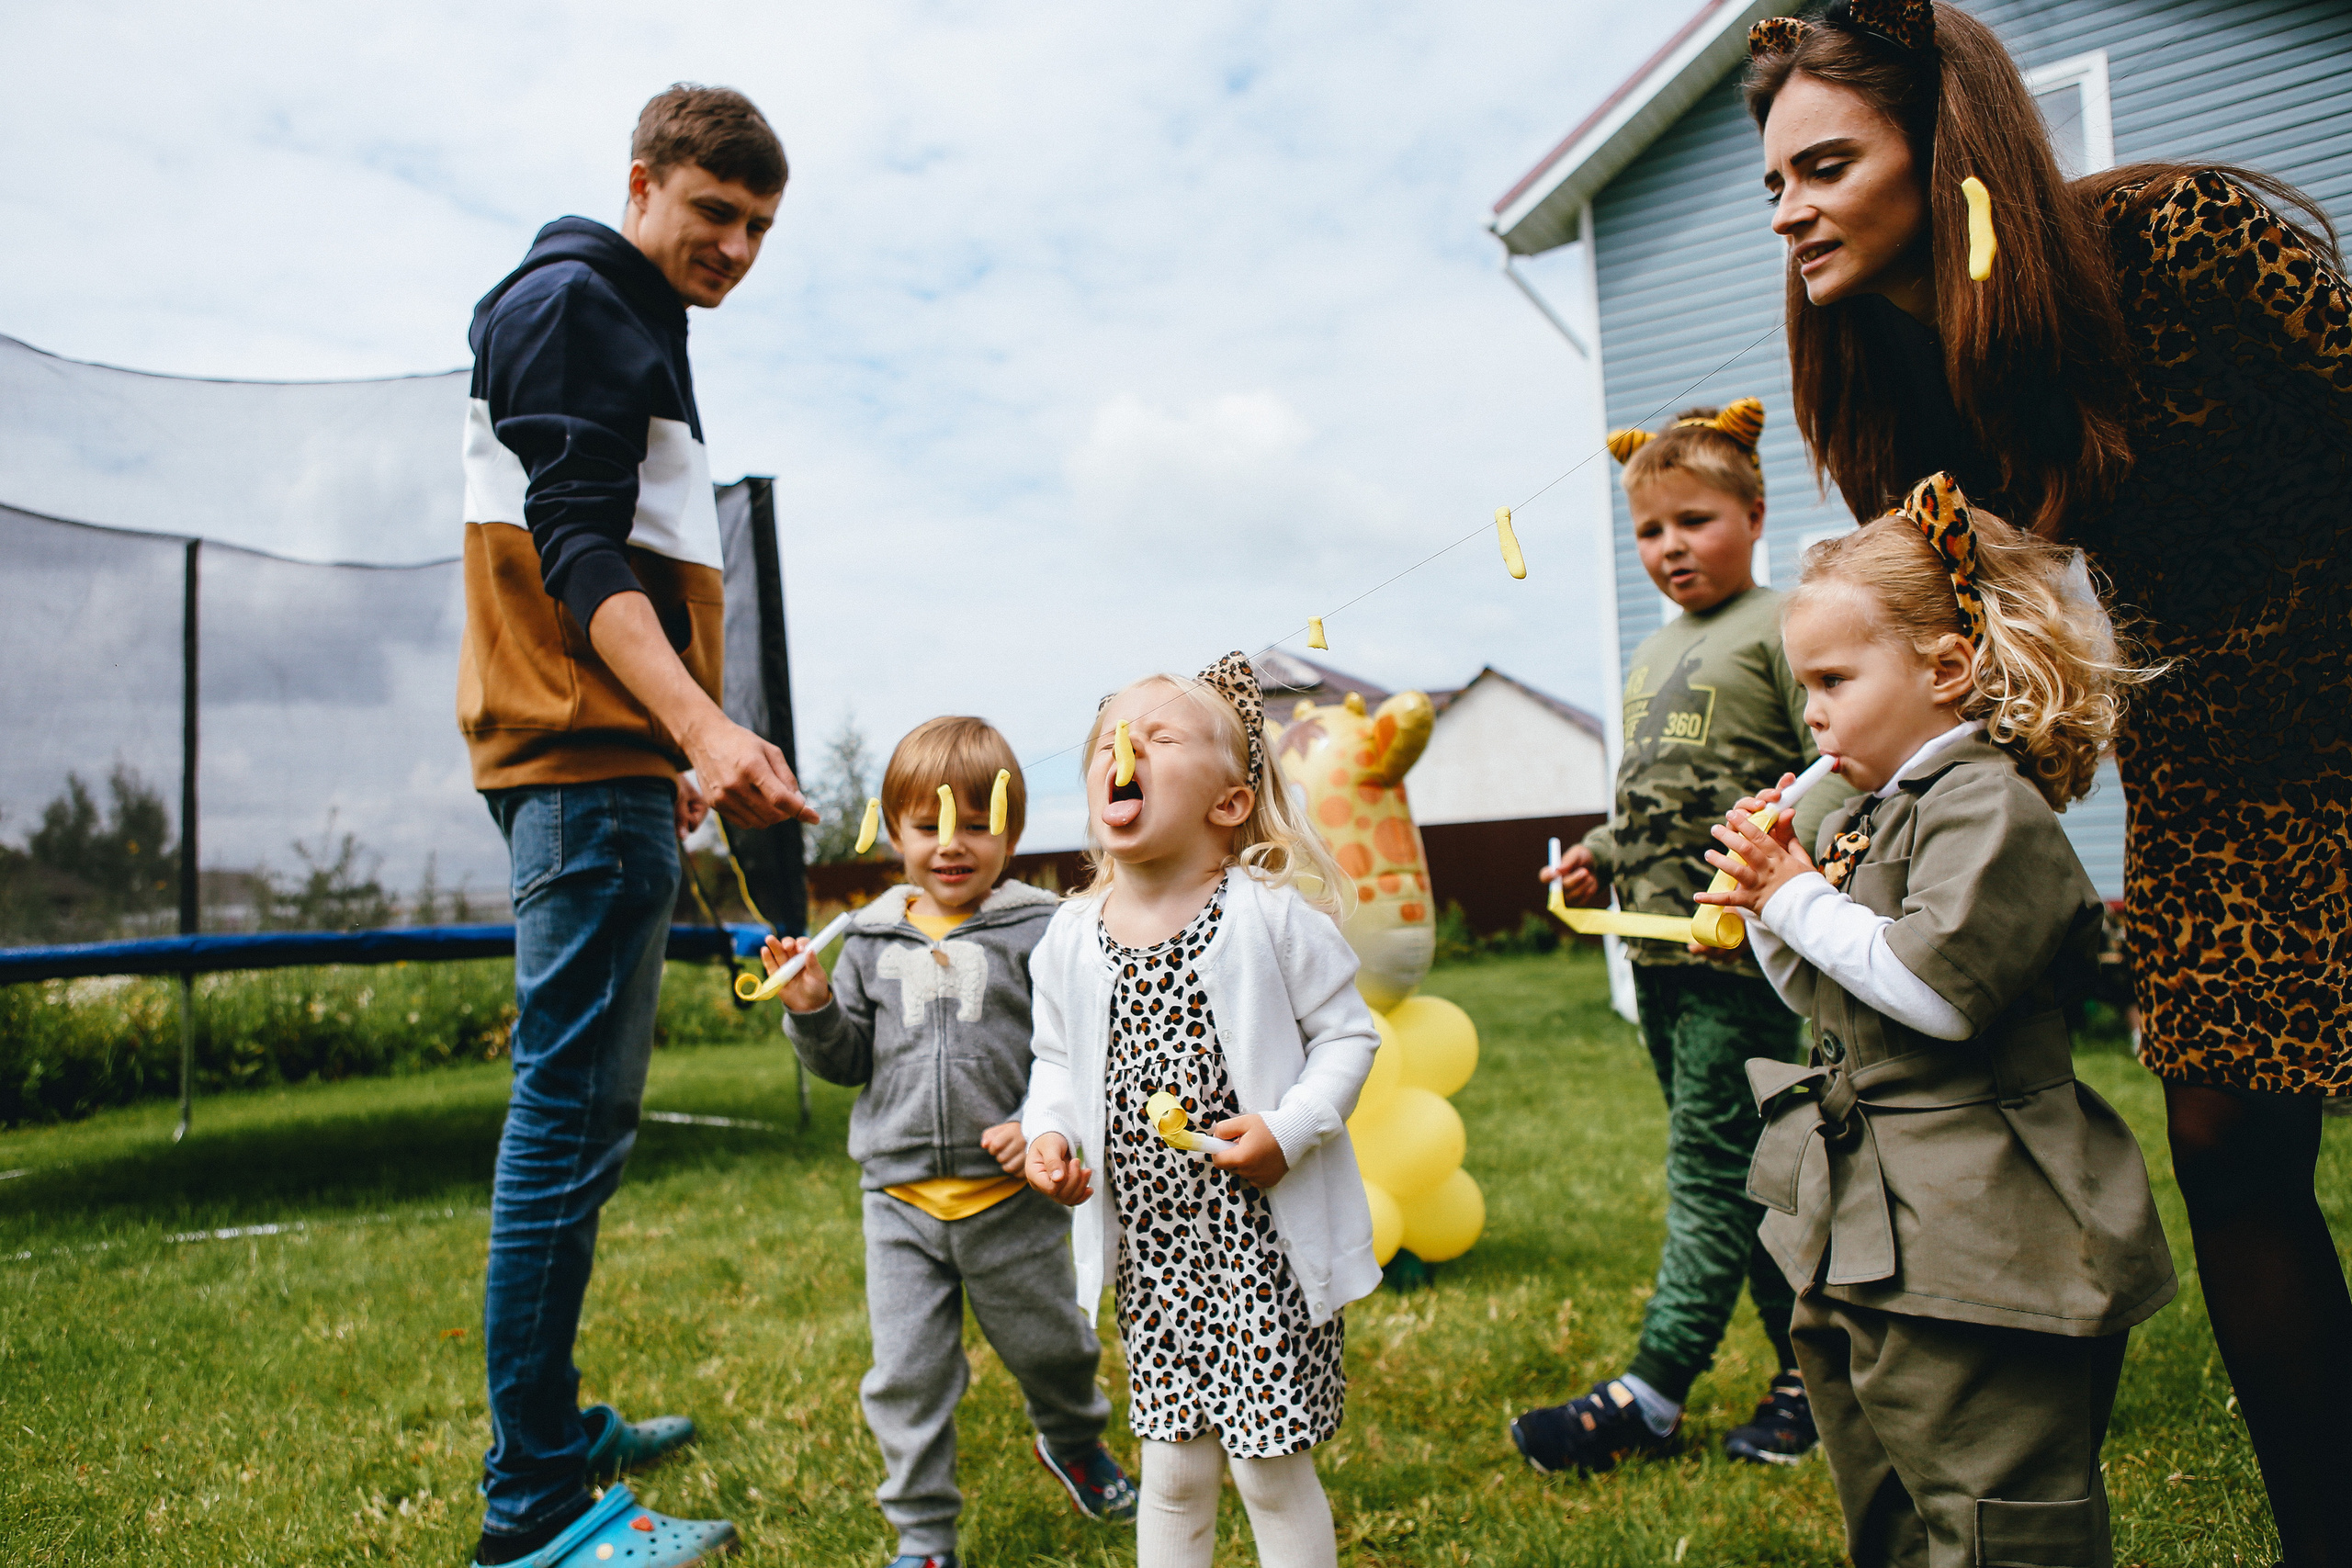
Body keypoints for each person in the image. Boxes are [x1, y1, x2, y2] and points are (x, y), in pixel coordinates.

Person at [1746, 4, 2352, 1557]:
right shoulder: (1897, 376)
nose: (1791, 209)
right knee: (2227, 1144)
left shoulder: (2179, 243)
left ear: (1941, 147)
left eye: (1827, 165)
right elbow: (1939, 648)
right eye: (1775, 183)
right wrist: (1841, 821)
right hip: (2215, 759)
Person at [458, 84, 815, 1568]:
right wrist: (704, 730)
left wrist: (662, 740)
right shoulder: (579, 304)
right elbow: (579, 549)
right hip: (581, 770)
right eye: (714, 211)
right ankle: (536, 1501)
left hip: (607, 761)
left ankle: (553, 1428)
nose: (735, 246)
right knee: (566, 1122)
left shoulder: (620, 315)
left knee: (584, 1122)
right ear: (642, 182)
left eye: (759, 227)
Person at [1701, 473, 2176, 1568]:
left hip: (1981, 1230)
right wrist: (1769, 911)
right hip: (1871, 1217)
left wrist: (1796, 897)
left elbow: (1937, 995)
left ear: (1945, 670)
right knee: (1887, 1490)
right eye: (1803, 686)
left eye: (1833, 680)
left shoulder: (1984, 802)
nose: (1812, 713)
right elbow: (1836, 995)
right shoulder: (1873, 814)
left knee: (1992, 1500)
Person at [1510, 401, 1850, 1473]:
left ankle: (1651, 1396)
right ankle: (1815, 1377)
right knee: (1744, 1173)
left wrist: (1792, 884)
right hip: (1652, 950)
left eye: (1693, 521)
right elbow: (1654, 802)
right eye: (1650, 531)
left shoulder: (1782, 628)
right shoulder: (1655, 649)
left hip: (1737, 954)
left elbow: (1831, 774)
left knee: (1709, 1171)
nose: (1669, 548)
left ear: (1755, 515)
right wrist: (1597, 853)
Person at [1022, 655, 1376, 1568]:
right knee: (1173, 1473)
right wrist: (1049, 1131)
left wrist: (1290, 1130)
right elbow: (1055, 1060)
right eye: (1109, 740)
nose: (1125, 750)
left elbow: (1348, 1038)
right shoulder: (1071, 936)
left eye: (1158, 738)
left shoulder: (1267, 917)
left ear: (1228, 802)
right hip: (1156, 1258)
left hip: (1260, 1250)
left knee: (1267, 1472)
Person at [756, 717, 1136, 1568]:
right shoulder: (866, 938)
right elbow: (848, 1061)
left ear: (1013, 831)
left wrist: (1037, 1121)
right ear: (894, 831)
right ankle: (925, 1537)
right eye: (928, 825)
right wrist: (813, 1009)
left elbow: (1077, 1051)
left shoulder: (1045, 931)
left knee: (1054, 1349)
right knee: (908, 1377)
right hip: (899, 1205)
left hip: (1010, 1201)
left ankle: (1073, 1440)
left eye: (976, 823)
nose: (951, 844)